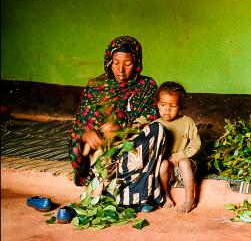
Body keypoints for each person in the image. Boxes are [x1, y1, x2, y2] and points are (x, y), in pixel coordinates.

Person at [68, 36, 165, 211]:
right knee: (83, 145)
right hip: (105, 153)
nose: (120, 70)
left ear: (136, 63)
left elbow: (149, 117)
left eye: (127, 63)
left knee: (158, 129)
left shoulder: (146, 85)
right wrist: (92, 133)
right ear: (108, 62)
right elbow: (81, 125)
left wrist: (122, 130)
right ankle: (117, 189)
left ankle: (131, 192)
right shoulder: (96, 87)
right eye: (115, 62)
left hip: (132, 149)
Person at [155, 82, 202, 214]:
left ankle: (189, 199)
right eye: (163, 105)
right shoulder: (156, 125)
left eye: (173, 106)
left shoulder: (188, 122)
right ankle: (165, 196)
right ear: (158, 105)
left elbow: (195, 144)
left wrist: (179, 156)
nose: (167, 110)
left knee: (184, 162)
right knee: (162, 165)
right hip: (168, 167)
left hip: (186, 165)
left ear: (180, 106)